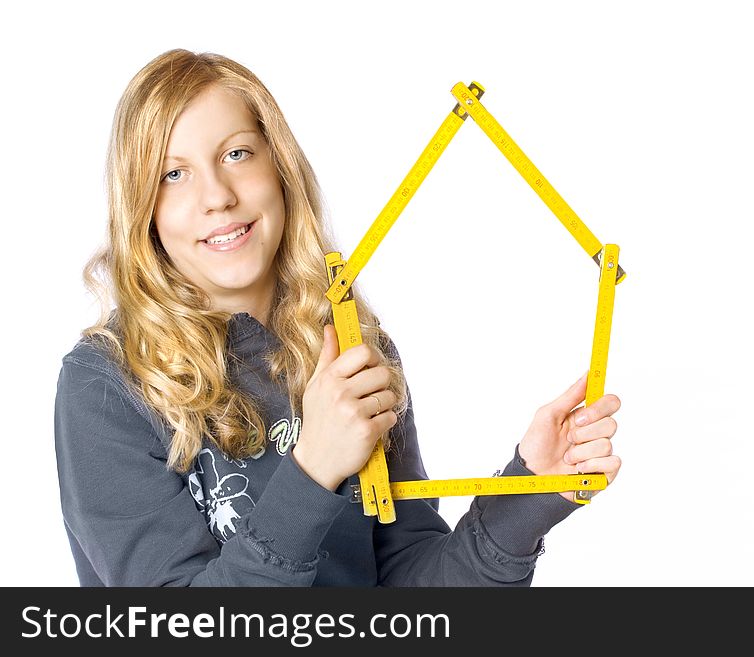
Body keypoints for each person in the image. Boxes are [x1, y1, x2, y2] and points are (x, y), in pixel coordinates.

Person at [54, 49, 623, 586]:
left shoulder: (352, 347)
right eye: (172, 174)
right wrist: (314, 468)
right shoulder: (107, 385)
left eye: (236, 154)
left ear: (280, 168)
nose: (217, 196)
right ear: (142, 208)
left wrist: (529, 493)